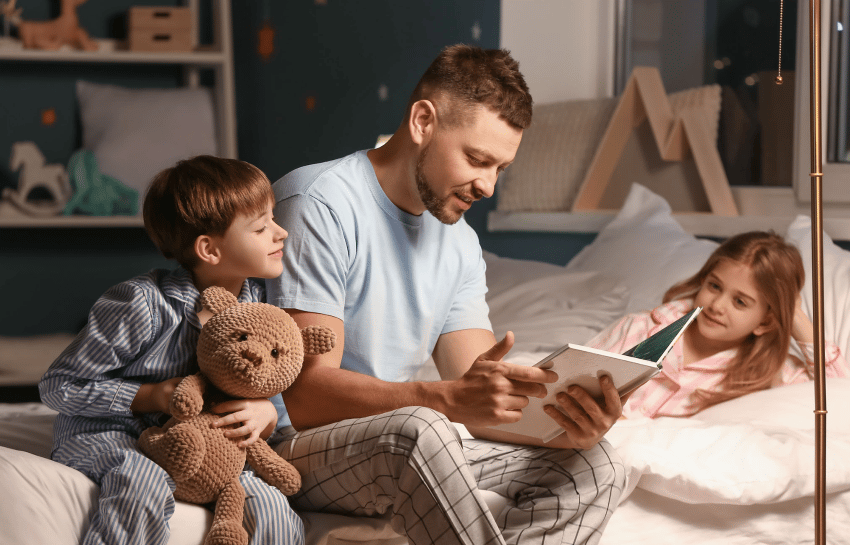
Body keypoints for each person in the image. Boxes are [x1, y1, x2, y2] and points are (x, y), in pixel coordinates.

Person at [266, 44, 626, 545]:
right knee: (422, 428)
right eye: (477, 159)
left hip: (393, 444)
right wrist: (438, 399)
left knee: (596, 464)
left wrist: (569, 427)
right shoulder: (318, 203)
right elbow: (304, 395)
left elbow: (477, 394)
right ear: (422, 121)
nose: (488, 186)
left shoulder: (458, 242)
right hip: (293, 448)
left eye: (501, 169)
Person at [38, 156, 304, 545]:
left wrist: (267, 411)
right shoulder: (139, 305)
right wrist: (149, 396)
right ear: (209, 250)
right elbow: (58, 387)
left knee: (271, 508)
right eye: (262, 227)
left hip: (210, 448)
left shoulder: (263, 307)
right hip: (111, 433)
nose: (281, 233)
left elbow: (274, 376)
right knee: (142, 481)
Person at [586, 230, 850, 419]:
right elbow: (571, 380)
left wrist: (795, 318)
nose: (717, 306)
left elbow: (839, 402)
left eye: (740, 302)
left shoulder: (768, 373)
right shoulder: (638, 328)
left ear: (766, 320)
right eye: (714, 286)